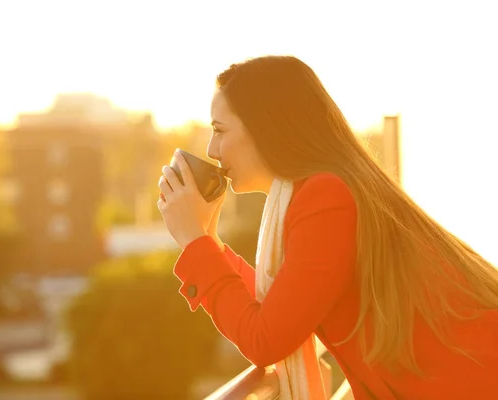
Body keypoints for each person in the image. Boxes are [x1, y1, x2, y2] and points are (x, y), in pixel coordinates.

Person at [156, 55, 498, 400]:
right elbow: (279, 307)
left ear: (267, 125)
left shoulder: (325, 197)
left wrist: (195, 241)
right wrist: (208, 242)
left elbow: (265, 339)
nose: (212, 150)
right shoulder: (324, 190)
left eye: (219, 130)